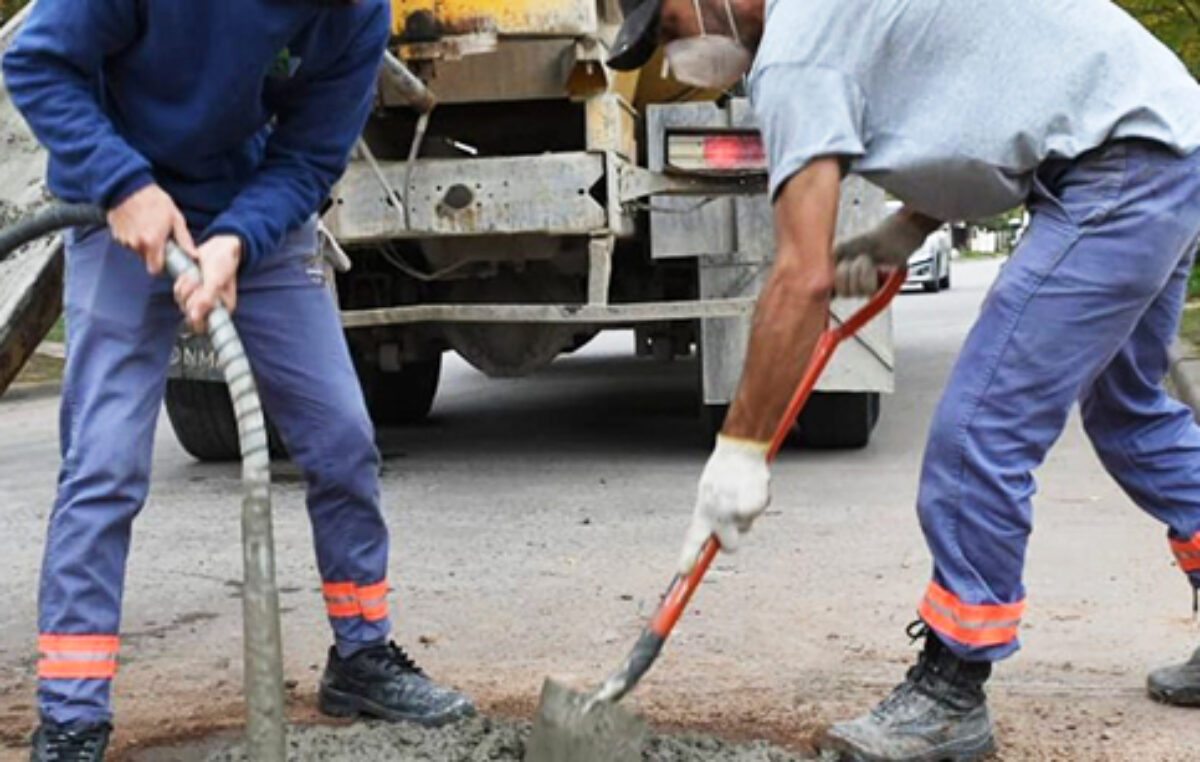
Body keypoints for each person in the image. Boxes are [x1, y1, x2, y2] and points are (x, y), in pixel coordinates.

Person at [608, 0, 1200, 759]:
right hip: (1165, 135)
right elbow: (973, 92)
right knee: (1130, 414)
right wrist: (906, 227)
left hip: (1117, 165)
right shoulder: (832, 16)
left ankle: (953, 691)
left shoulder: (794, 51)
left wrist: (740, 450)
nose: (671, 62)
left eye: (666, 31)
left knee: (979, 432)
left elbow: (800, 277)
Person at [3, 1, 474, 759]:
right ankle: (72, 715)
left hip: (253, 213)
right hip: (120, 208)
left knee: (341, 438)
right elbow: (37, 62)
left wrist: (236, 240)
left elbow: (311, 155)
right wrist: (124, 185)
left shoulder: (357, 13)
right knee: (104, 466)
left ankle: (362, 656)